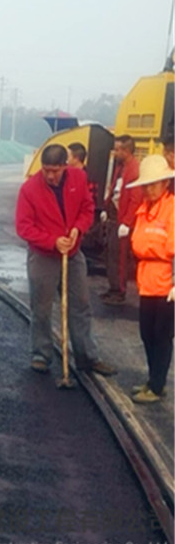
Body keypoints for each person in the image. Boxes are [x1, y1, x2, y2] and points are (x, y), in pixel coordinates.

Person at [16, 143, 116, 377]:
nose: (50, 175)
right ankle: (41, 354)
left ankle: (87, 356)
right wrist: (52, 241)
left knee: (81, 305)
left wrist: (77, 230)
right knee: (41, 307)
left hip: (72, 254)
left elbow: (86, 208)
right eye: (46, 170)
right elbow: (23, 227)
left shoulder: (79, 179)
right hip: (43, 255)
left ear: (65, 166)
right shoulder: (29, 189)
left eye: (55, 170)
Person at [126, 155, 175, 403]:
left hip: (167, 284)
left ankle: (156, 386)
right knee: (147, 334)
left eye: (155, 183)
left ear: (166, 183)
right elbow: (139, 243)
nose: (150, 188)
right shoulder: (144, 209)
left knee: (161, 335)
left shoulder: (172, 209)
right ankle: (154, 380)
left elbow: (170, 248)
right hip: (147, 282)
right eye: (147, 184)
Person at [100, 135, 142, 305]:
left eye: (118, 149)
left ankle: (119, 291)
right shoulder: (121, 167)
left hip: (122, 218)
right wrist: (105, 208)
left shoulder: (134, 169)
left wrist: (127, 222)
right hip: (114, 216)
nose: (115, 152)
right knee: (111, 255)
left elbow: (135, 198)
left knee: (120, 257)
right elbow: (113, 190)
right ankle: (113, 288)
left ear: (126, 150)